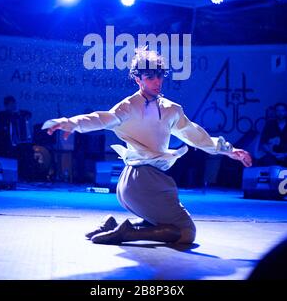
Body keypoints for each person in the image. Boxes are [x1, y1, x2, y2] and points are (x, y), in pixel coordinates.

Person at [43, 49, 252, 245]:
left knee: (164, 223)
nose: (157, 81)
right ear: (138, 79)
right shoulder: (129, 106)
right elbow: (103, 119)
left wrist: (229, 150)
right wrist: (73, 122)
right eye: (150, 77)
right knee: (186, 232)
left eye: (160, 76)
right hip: (140, 181)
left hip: (142, 181)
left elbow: (195, 135)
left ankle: (114, 226)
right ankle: (126, 233)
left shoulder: (171, 109)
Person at [256, 102, 287, 167]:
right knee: (266, 163)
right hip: (272, 154)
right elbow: (263, 142)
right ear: (275, 112)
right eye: (278, 110)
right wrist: (273, 153)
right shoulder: (269, 124)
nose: (280, 113)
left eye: (282, 110)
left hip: (285, 154)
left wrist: (284, 155)